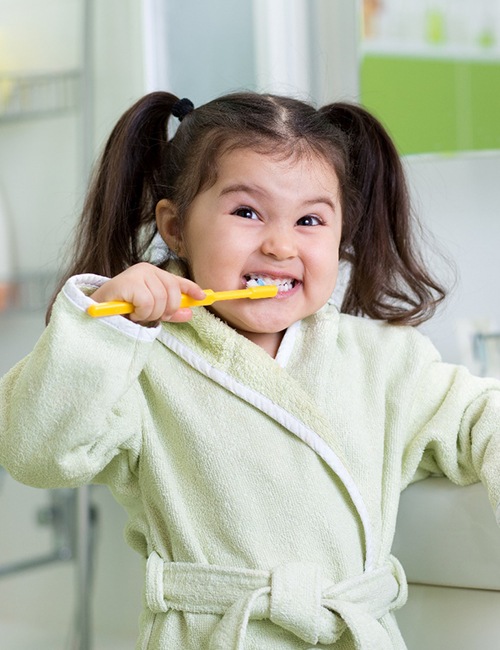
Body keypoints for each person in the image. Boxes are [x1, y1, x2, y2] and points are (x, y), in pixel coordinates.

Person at [0, 91, 499, 650]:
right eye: (246, 212)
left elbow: (479, 415)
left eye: (310, 219)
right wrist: (102, 331)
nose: (281, 244)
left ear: (341, 236)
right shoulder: (138, 360)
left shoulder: (384, 360)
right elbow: (33, 452)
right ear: (176, 227)